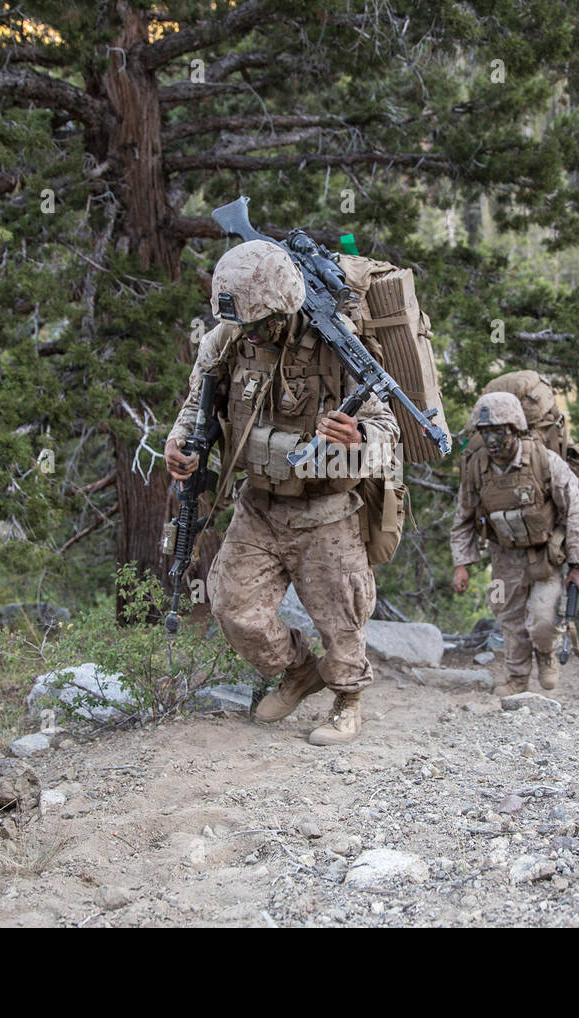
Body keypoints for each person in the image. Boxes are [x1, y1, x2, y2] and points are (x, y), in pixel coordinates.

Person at [165, 239, 399, 746]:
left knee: (341, 618)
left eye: (258, 324)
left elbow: (388, 432)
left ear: (285, 304)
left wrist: (360, 438)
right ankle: (298, 671)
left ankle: (348, 699)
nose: (250, 334)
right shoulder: (226, 341)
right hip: (260, 504)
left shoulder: (340, 345)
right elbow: (194, 408)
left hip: (326, 509)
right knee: (232, 607)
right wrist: (181, 444)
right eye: (243, 325)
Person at [451, 393, 579, 695]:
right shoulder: (477, 468)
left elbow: (575, 511)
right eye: (485, 432)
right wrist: (462, 564)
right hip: (504, 556)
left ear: (514, 429)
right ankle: (517, 679)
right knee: (509, 618)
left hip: (546, 556)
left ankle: (546, 653)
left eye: (498, 431)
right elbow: (463, 518)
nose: (491, 439)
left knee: (542, 619)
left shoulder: (544, 461)